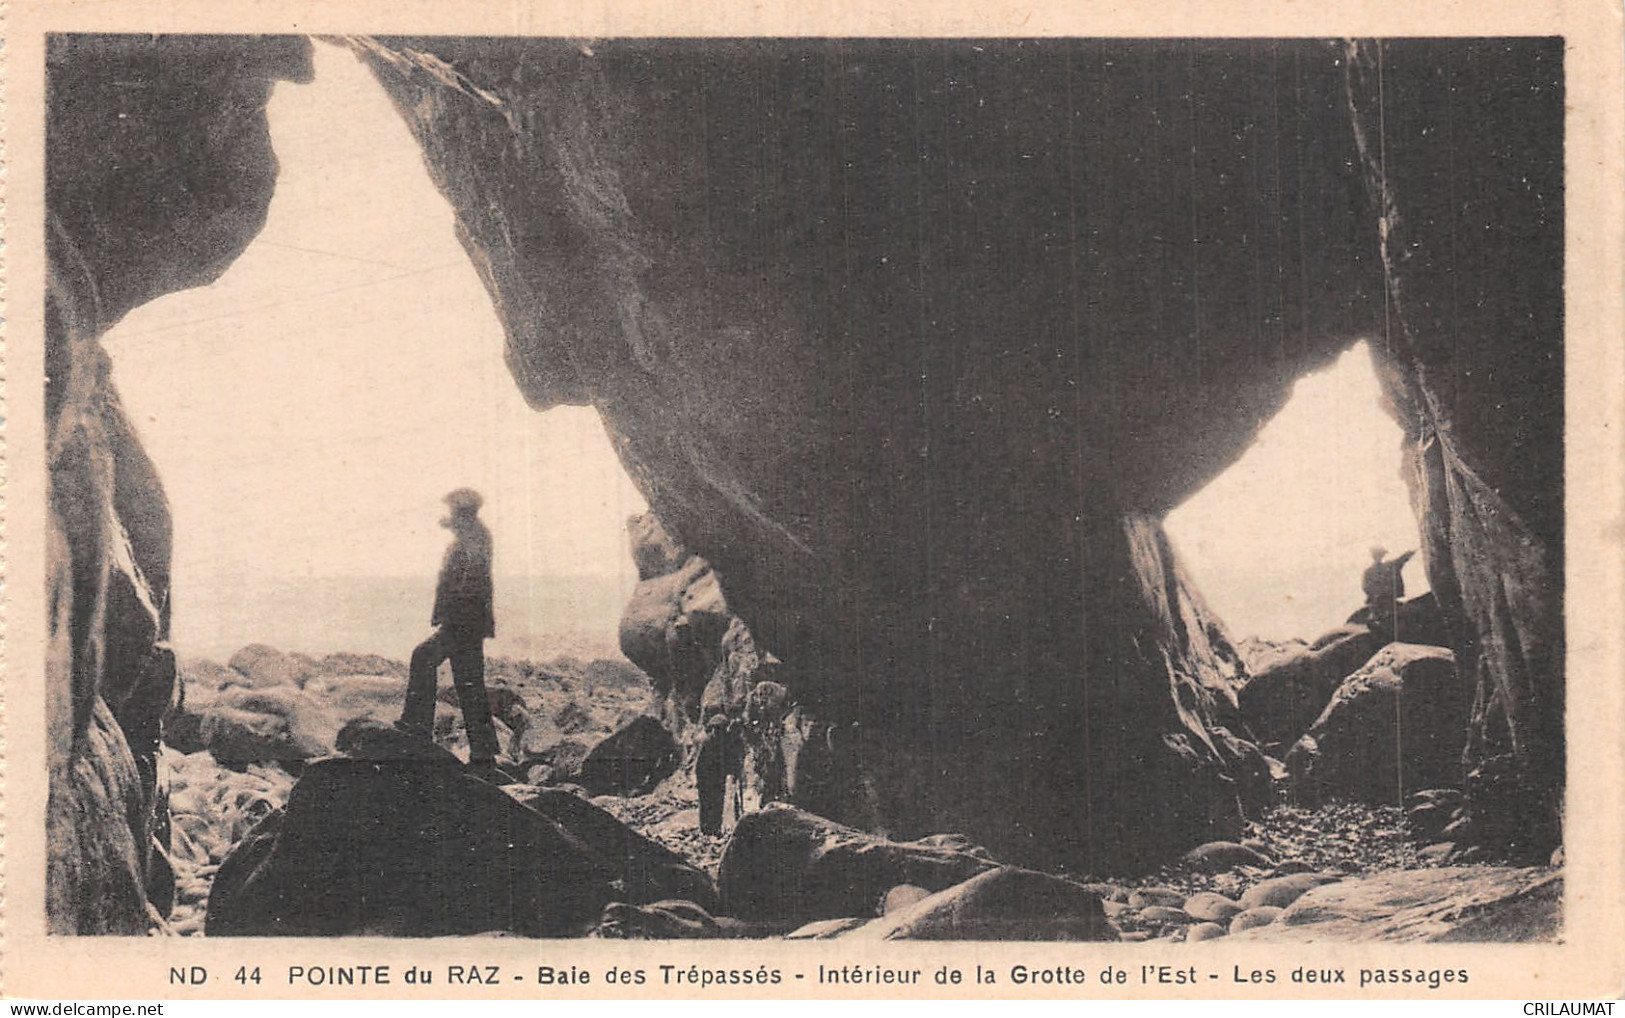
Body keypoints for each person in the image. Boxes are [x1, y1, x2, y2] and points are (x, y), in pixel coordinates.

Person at [398, 487, 502, 780]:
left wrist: (451, 618)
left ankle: (416, 727)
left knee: (422, 658)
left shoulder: (472, 538)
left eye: (453, 512)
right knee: (470, 684)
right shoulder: (474, 535)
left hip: (463, 621)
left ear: (463, 513)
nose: (450, 516)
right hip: (468, 621)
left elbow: (469, 585)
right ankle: (484, 753)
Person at [1362, 545, 1415, 635]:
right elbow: (1402, 560)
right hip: (1386, 602)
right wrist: (1410, 553)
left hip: (1376, 603)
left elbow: (1366, 587)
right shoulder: (1389, 566)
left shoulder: (1368, 571)